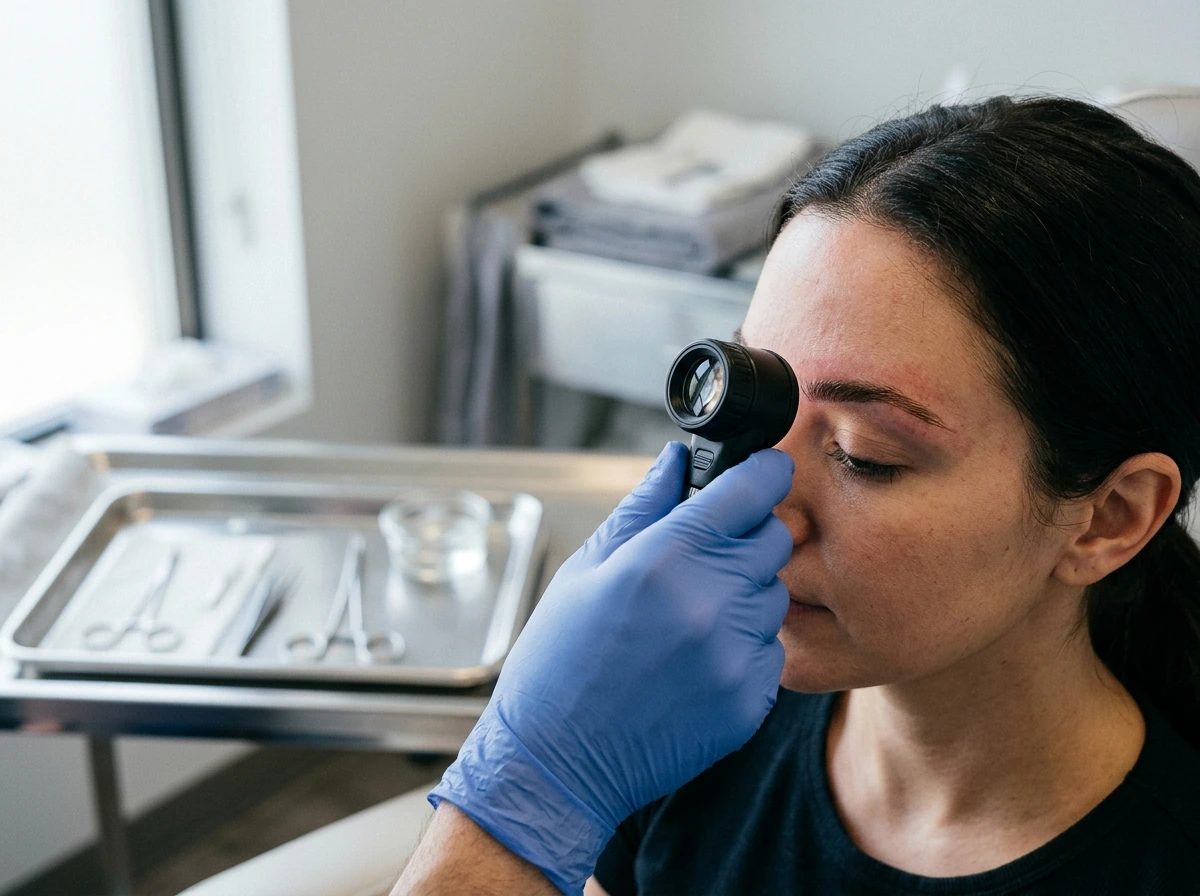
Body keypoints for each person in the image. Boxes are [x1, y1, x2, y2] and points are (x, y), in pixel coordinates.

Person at [393, 96, 1200, 895]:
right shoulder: (678, 717)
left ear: (1110, 517)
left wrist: (526, 794)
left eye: (864, 456)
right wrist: (538, 774)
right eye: (761, 406)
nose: (754, 502)